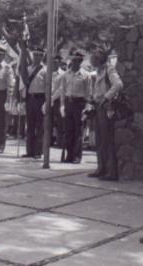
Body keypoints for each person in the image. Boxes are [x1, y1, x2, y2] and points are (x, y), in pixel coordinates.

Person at [88, 48, 122, 180]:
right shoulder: (99, 71)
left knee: (107, 139)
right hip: (97, 106)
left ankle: (111, 172)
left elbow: (118, 84)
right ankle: (101, 168)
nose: (92, 60)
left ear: (100, 59)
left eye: (95, 58)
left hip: (106, 107)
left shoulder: (109, 69)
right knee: (99, 139)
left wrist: (106, 97)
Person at [52, 52, 90, 163]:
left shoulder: (85, 75)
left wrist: (86, 108)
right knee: (68, 131)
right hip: (68, 103)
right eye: (72, 60)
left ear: (80, 61)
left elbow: (88, 93)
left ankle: (77, 156)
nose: (74, 63)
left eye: (77, 60)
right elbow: (63, 91)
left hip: (80, 104)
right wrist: (62, 105)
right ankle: (69, 155)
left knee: (78, 131)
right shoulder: (66, 75)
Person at [19, 48, 46, 158]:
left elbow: (49, 88)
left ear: (43, 57)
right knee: (30, 125)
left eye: (40, 55)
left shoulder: (45, 70)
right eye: (35, 55)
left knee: (40, 126)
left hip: (40, 99)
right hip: (30, 99)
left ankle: (38, 151)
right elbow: (23, 84)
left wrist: (47, 102)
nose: (37, 57)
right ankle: (29, 150)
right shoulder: (28, 69)